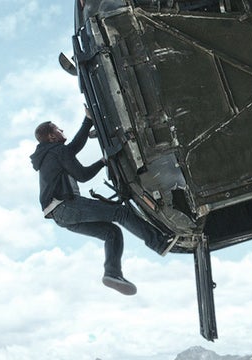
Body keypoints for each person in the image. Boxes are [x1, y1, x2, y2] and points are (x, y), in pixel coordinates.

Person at [30, 109, 177, 296]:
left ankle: (112, 273)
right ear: (52, 136)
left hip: (60, 217)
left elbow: (74, 147)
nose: (62, 129)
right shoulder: (57, 151)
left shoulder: (50, 153)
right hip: (66, 206)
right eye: (58, 129)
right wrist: (103, 161)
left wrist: (87, 120)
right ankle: (159, 243)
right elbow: (82, 176)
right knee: (120, 212)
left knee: (111, 232)